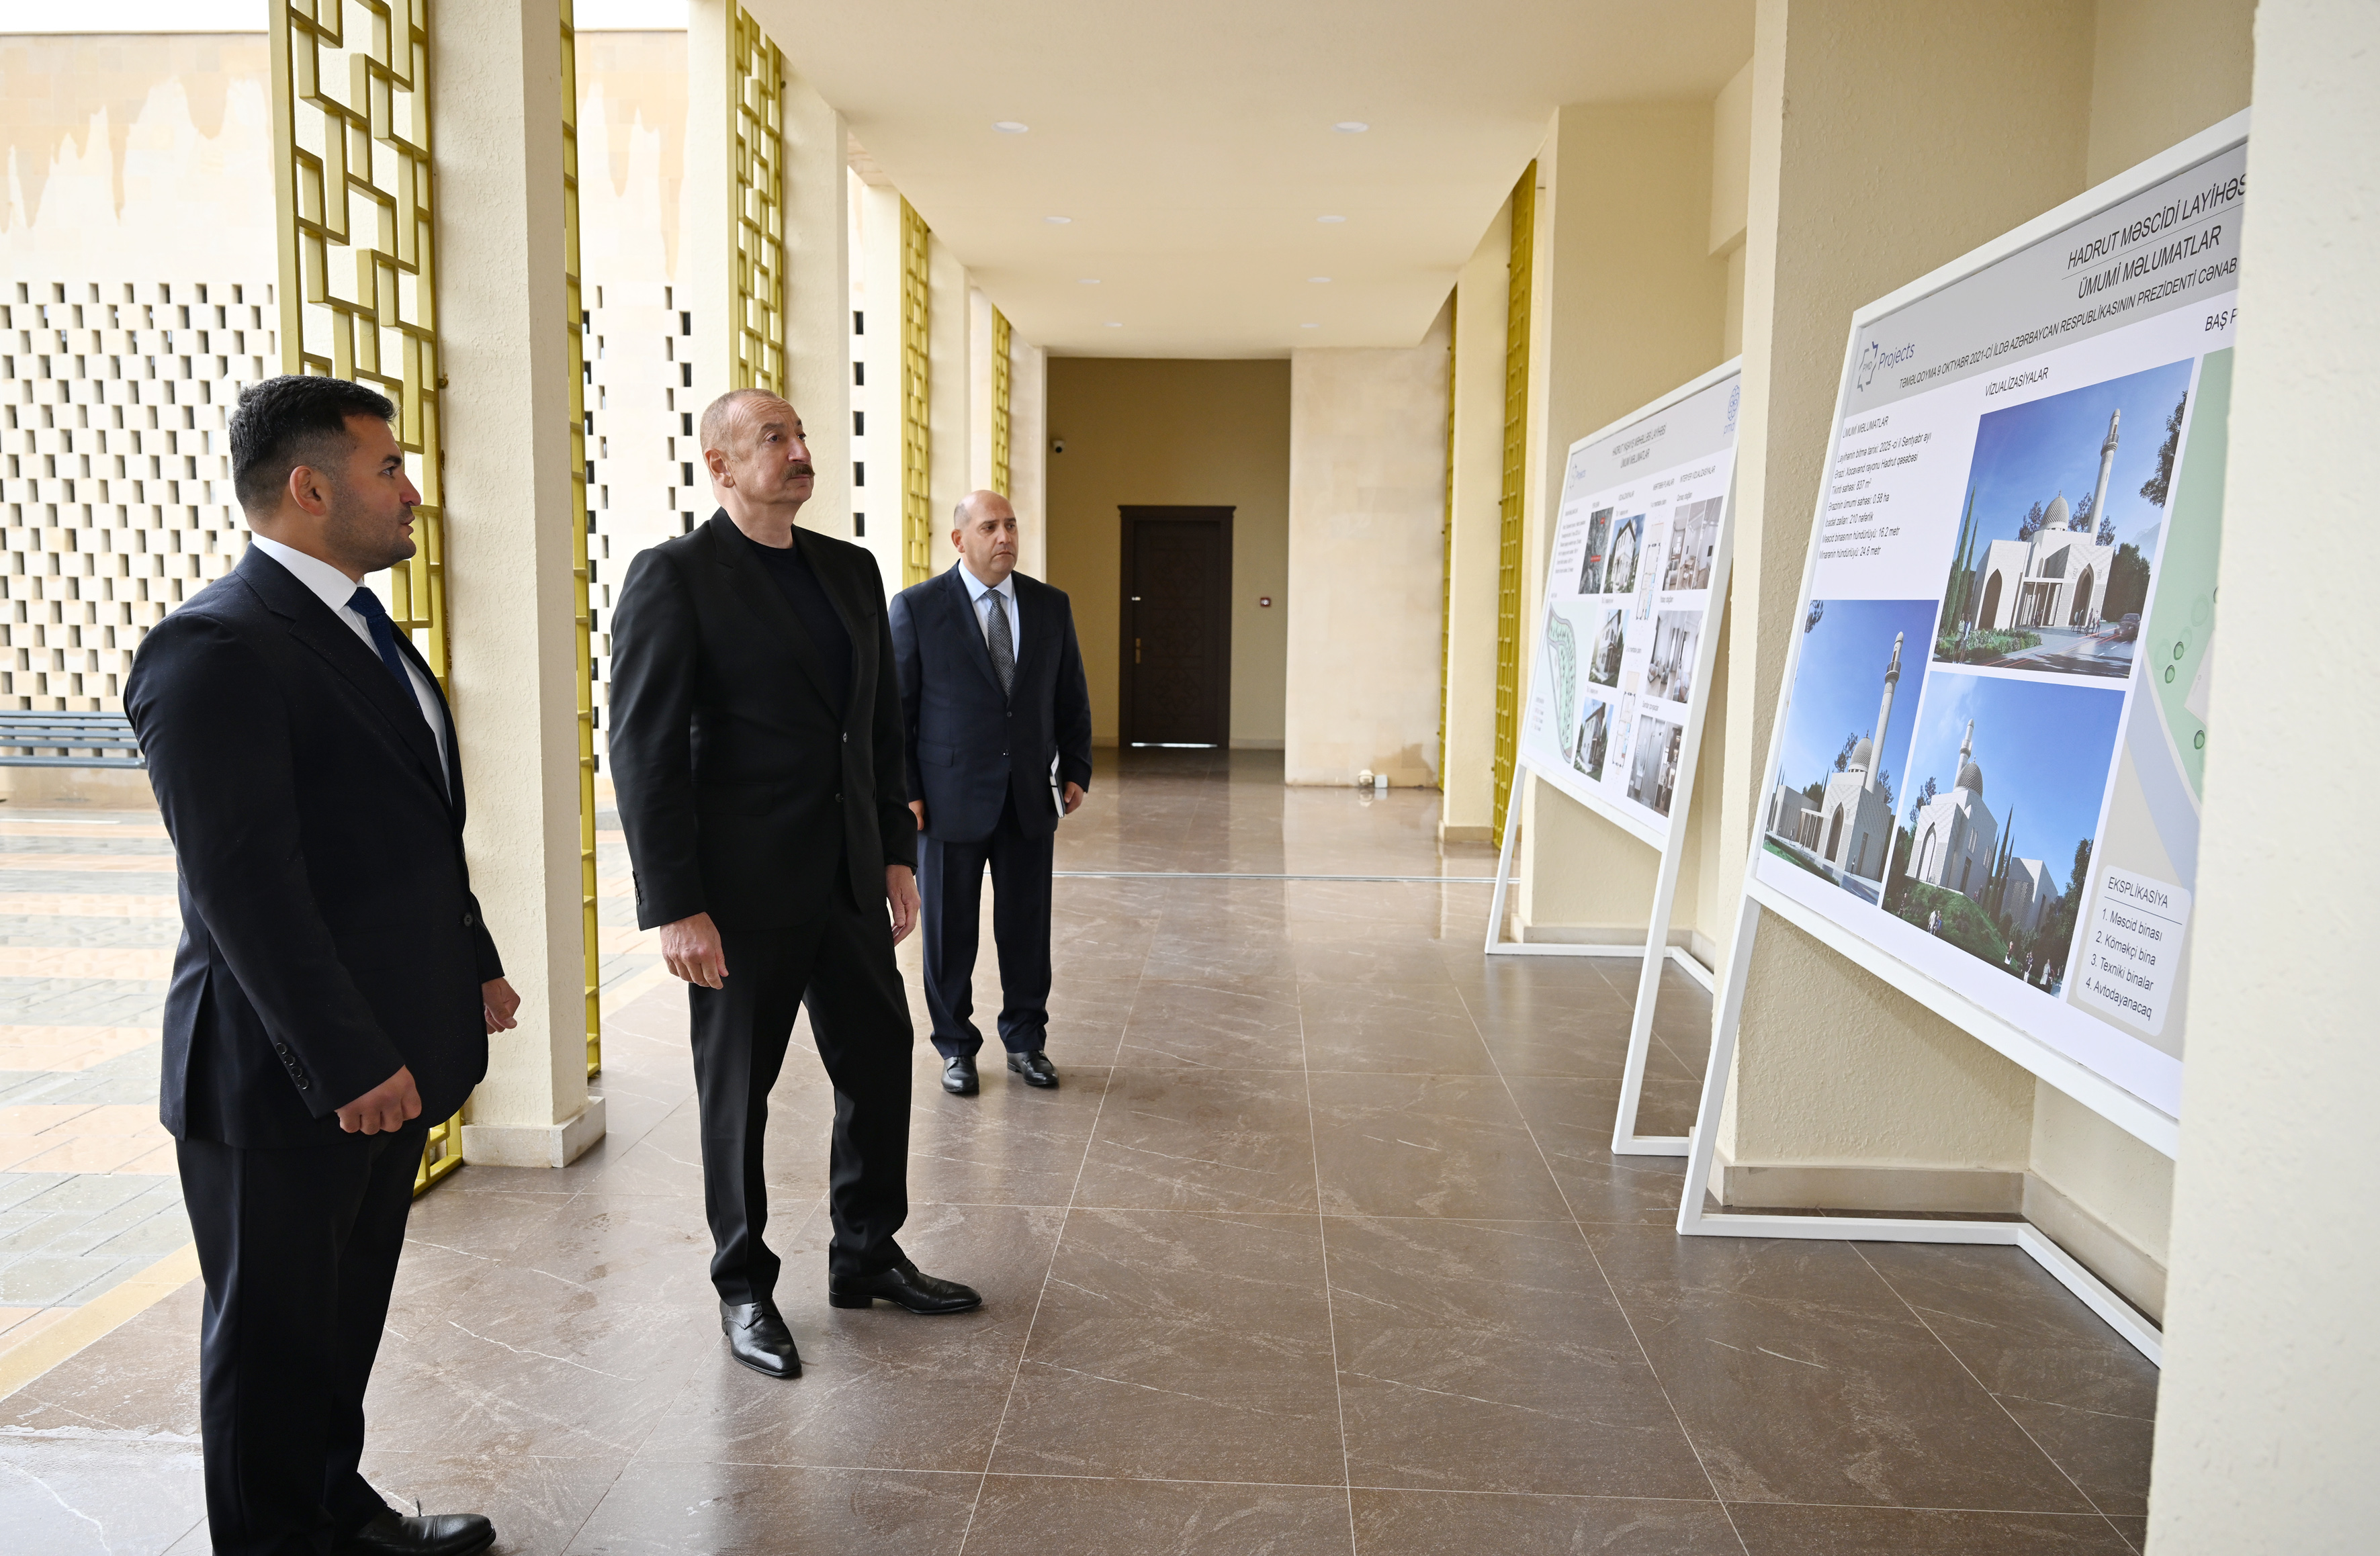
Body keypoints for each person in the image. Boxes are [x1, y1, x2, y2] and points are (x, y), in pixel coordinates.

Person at [124, 375, 515, 1556]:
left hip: (387, 1051)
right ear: (308, 488)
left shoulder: (358, 625)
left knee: (339, 1323)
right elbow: (246, 891)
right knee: (271, 1346)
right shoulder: (214, 648)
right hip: (282, 1079)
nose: (411, 492)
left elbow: (409, 828)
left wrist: (473, 960)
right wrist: (346, 1061)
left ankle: (335, 1510)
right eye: (388, 468)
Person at [607, 389, 981, 1383]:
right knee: (739, 1093)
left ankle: (866, 1252)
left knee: (879, 1062)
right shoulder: (674, 577)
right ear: (721, 466)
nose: (799, 450)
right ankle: (743, 1285)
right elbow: (642, 750)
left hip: (847, 879)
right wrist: (674, 904)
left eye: (801, 434)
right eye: (773, 438)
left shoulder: (848, 570)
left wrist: (894, 851)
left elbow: (879, 725)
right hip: (737, 897)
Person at [889, 492, 1092, 1097]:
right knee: (948, 932)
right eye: (989, 527)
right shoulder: (917, 607)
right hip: (945, 801)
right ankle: (955, 1046)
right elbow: (897, 712)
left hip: (1028, 795)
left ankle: (1026, 1041)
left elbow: (1070, 693)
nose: (1004, 536)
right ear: (959, 539)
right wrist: (907, 791)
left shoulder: (1050, 605)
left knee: (1026, 927)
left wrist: (1077, 765)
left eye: (1010, 525)